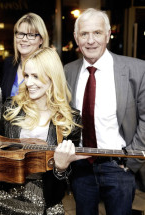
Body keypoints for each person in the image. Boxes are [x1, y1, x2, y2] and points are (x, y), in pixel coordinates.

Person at [64, 8, 145, 215]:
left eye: (97, 33)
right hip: (81, 166)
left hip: (119, 166)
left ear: (108, 35)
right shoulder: (67, 71)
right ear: (76, 38)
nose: (90, 41)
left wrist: (131, 162)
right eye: (84, 34)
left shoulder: (137, 70)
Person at [0, 47, 87, 215]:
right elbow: (0, 154)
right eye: (26, 75)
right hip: (6, 196)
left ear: (52, 77)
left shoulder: (70, 119)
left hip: (47, 199)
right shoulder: (11, 108)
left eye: (36, 76)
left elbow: (67, 177)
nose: (28, 83)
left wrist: (61, 167)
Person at [0, 12, 49, 103]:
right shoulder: (9, 63)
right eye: (21, 34)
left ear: (41, 40)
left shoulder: (49, 67)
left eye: (31, 35)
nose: (24, 39)